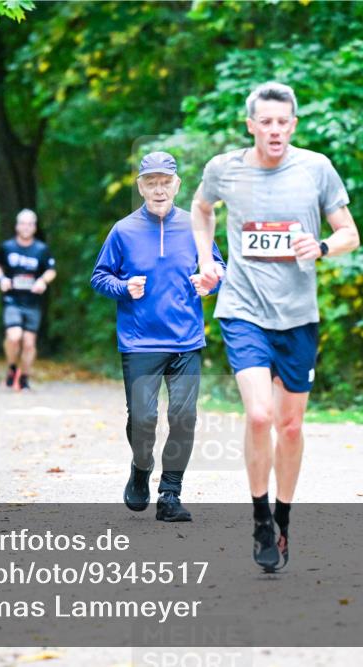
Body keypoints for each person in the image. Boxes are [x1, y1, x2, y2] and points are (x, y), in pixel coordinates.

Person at [191, 82, 361, 571]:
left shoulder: (316, 169)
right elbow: (201, 210)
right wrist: (207, 260)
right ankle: (260, 517)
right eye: (265, 122)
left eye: (283, 121)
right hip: (243, 308)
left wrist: (323, 247)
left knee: (290, 426)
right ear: (250, 125)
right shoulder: (225, 169)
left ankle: (283, 520)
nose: (275, 130)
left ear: (294, 124)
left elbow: (349, 232)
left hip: (298, 317)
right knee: (260, 416)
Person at [91, 151, 225, 523]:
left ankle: (170, 494)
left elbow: (219, 268)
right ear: (141, 187)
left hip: (186, 340)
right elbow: (99, 277)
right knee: (143, 419)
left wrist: (209, 280)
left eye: (166, 182)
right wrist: (123, 287)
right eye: (152, 183)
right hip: (139, 343)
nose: (159, 189)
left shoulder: (196, 227)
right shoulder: (123, 230)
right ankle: (140, 468)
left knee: (184, 418)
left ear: (177, 185)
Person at [0, 209, 57, 391]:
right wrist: (2, 279)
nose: (26, 227)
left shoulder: (41, 249)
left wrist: (42, 281)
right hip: (12, 299)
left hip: (33, 301)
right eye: (23, 223)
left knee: (29, 342)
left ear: (34, 227)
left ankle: (25, 377)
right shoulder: (7, 247)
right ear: (17, 226)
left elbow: (51, 270)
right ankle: (12, 368)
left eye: (30, 224)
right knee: (14, 337)